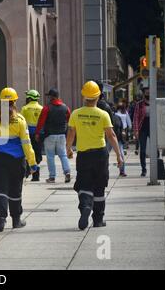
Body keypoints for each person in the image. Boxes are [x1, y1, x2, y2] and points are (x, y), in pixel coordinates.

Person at [66, 81, 123, 230]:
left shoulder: (76, 113)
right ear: (98, 97)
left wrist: (68, 149)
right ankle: (98, 220)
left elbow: (71, 133)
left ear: (84, 96)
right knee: (99, 187)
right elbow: (111, 135)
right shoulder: (103, 114)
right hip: (100, 155)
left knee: (84, 183)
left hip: (84, 155)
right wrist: (118, 155)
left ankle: (85, 205)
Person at [0, 88, 38, 232]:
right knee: (15, 190)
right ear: (14, 102)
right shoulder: (19, 120)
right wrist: (32, 163)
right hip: (15, 160)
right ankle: (16, 220)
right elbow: (26, 144)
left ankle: (1, 219)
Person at [35, 88, 71, 183]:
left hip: (49, 135)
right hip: (62, 135)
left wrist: (37, 133)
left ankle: (52, 177)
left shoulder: (47, 108)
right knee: (63, 155)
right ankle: (67, 172)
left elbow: (41, 122)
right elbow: (70, 121)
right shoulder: (65, 107)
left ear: (51, 97)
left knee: (50, 156)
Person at [21, 90, 43, 181]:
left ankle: (29, 171)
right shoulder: (41, 108)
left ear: (30, 98)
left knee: (28, 152)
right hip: (39, 134)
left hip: (28, 134)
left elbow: (21, 121)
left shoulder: (25, 108)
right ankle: (36, 175)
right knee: (37, 154)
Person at [132, 87, 152, 177]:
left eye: (149, 92)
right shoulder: (139, 104)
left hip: (153, 128)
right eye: (146, 93)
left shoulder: (155, 103)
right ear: (144, 94)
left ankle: (157, 167)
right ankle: (144, 169)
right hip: (143, 128)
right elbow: (135, 118)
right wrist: (136, 130)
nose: (148, 94)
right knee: (142, 150)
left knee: (156, 150)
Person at [111, 106, 127, 177]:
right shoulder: (105, 117)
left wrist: (122, 135)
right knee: (105, 155)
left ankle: (122, 171)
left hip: (118, 139)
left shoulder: (118, 118)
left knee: (121, 155)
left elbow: (121, 128)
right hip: (108, 139)